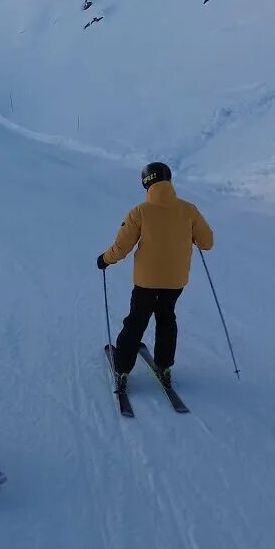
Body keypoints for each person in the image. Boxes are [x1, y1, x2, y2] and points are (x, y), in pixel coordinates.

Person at [96, 162, 214, 391]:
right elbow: (207, 243)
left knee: (136, 322)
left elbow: (121, 248)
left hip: (146, 283)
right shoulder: (189, 210)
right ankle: (164, 365)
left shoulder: (140, 212)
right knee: (167, 319)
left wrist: (104, 259)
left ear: (145, 183)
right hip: (175, 282)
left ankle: (122, 369)